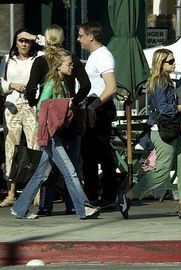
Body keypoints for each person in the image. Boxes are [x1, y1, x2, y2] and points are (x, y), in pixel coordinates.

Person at [11, 47, 99, 219]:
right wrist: (46, 130)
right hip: (50, 136)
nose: (72, 67)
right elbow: (41, 106)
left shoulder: (62, 82)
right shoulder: (52, 83)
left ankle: (20, 208)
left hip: (53, 133)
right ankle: (83, 208)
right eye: (69, 64)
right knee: (70, 172)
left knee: (41, 173)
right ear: (58, 65)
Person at [118, 48, 181, 219]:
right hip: (162, 131)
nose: (174, 64)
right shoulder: (159, 82)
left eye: (173, 61)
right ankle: (128, 195)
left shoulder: (166, 81)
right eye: (170, 61)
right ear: (161, 64)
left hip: (173, 129)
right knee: (162, 171)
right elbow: (164, 109)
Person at [25, 24, 91, 216]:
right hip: (69, 117)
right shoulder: (70, 59)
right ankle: (75, 205)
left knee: (48, 167)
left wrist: (34, 104)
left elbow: (31, 88)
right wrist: (74, 102)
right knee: (71, 165)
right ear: (63, 38)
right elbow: (85, 85)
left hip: (49, 120)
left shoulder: (40, 61)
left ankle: (46, 205)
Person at [77, 22, 117, 209]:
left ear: (90, 36)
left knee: (99, 153)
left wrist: (93, 106)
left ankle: (106, 195)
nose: (78, 40)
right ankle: (93, 194)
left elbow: (111, 87)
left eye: (80, 36)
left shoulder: (103, 56)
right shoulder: (96, 56)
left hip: (99, 108)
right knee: (90, 154)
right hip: (94, 106)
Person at [0, 28, 42, 207]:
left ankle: (36, 192)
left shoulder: (38, 57)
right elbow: (0, 82)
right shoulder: (8, 60)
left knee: (35, 148)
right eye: (20, 40)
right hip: (12, 107)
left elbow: (54, 44)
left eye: (27, 40)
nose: (24, 43)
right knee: (11, 149)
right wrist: (12, 85)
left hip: (32, 107)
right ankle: (11, 193)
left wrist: (34, 36)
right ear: (15, 42)